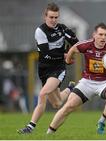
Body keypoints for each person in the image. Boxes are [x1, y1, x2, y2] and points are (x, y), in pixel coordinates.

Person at [46, 22, 106, 135]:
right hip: (87, 81)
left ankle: (101, 122)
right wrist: (68, 60)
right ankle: (48, 134)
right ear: (94, 35)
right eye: (101, 34)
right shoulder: (86, 45)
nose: (103, 37)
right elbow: (73, 49)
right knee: (69, 106)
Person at [17, 2, 78, 134]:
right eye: (51, 17)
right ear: (45, 17)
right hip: (44, 69)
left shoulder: (62, 28)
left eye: (56, 17)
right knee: (57, 103)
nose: (54, 20)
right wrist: (65, 54)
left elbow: (77, 44)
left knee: (43, 93)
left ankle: (30, 127)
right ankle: (70, 89)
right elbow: (47, 53)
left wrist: (71, 51)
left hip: (58, 68)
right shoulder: (40, 31)